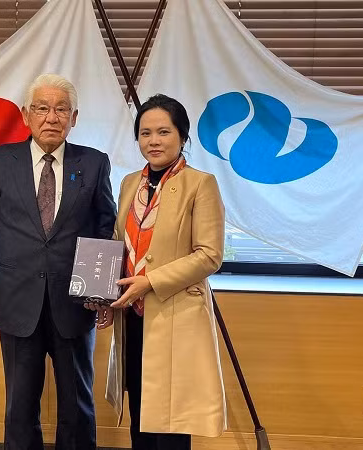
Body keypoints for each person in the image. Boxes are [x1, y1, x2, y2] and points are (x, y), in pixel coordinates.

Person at [0, 73, 117, 450]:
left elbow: (105, 229)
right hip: (17, 302)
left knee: (77, 405)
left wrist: (103, 293)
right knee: (20, 406)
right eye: (42, 108)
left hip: (76, 302)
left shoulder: (94, 163)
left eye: (61, 109)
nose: (52, 117)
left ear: (74, 117)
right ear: (25, 115)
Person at [89, 94, 227, 450]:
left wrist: (150, 281)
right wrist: (102, 294)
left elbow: (209, 255)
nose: (153, 141)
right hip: (133, 318)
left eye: (164, 131)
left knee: (171, 417)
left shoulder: (201, 184)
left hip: (175, 314)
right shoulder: (129, 184)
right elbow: (119, 244)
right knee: (141, 410)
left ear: (182, 136)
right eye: (145, 133)